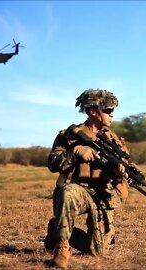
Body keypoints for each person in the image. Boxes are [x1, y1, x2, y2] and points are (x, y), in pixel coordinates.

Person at [44, 89, 130, 268]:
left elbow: (121, 173)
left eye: (112, 110)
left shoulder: (114, 140)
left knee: (96, 251)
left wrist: (121, 174)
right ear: (92, 111)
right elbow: (53, 163)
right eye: (108, 110)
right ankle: (62, 247)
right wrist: (74, 152)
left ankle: (56, 229)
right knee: (67, 193)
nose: (112, 114)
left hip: (101, 194)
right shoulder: (69, 136)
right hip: (78, 189)